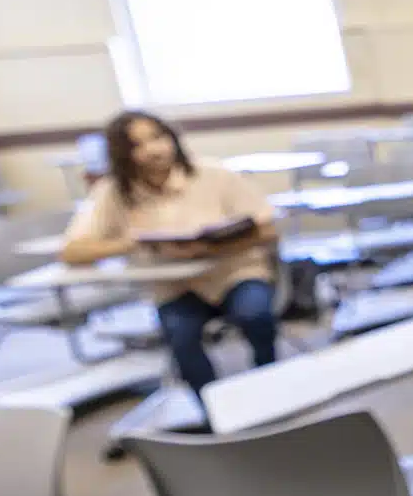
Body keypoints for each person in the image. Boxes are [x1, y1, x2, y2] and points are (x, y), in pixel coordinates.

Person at [61, 111, 280, 393]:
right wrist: (135, 242)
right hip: (174, 287)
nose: (153, 150)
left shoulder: (214, 174)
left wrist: (212, 246)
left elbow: (268, 229)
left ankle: (272, 390)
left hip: (234, 273)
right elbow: (72, 250)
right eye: (136, 145)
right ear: (122, 154)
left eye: (157, 138)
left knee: (256, 315)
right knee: (180, 336)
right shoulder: (113, 191)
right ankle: (213, 412)